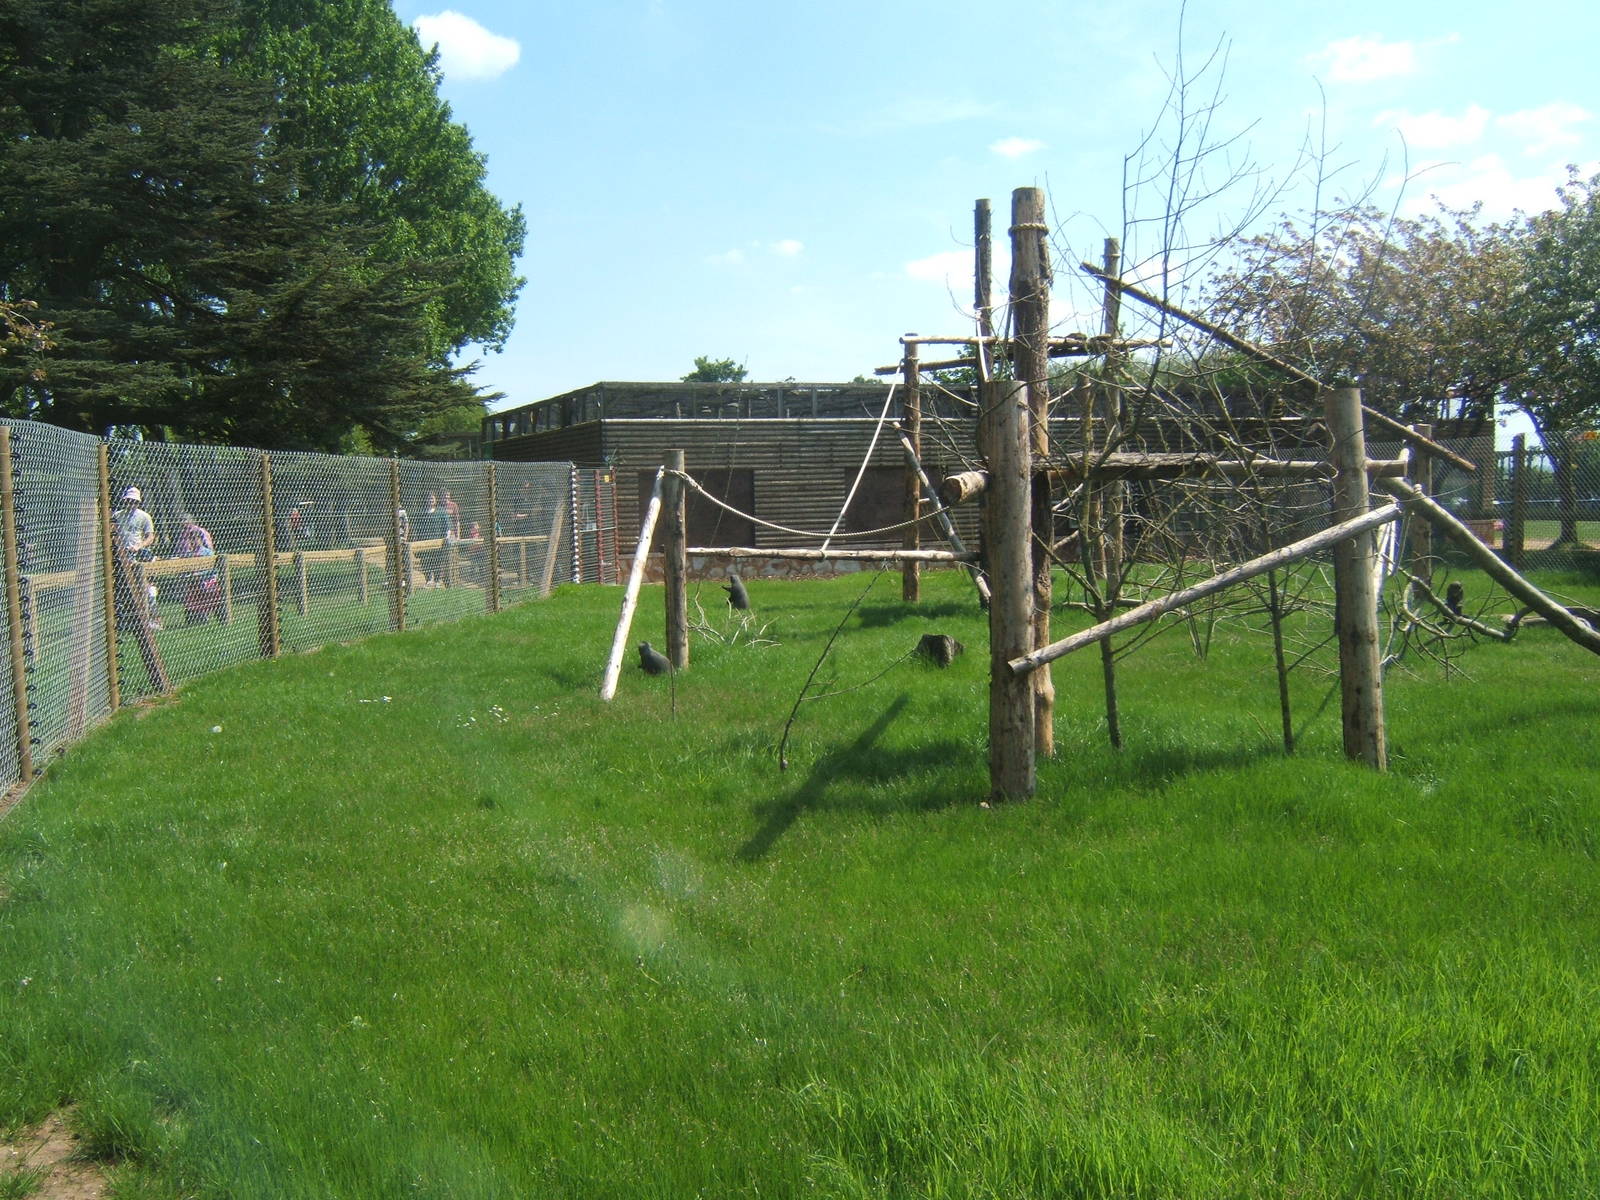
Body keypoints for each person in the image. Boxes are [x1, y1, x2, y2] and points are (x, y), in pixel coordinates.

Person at [112, 486, 158, 630]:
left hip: (139, 554)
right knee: (122, 588)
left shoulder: (144, 516)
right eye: (129, 501)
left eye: (134, 502)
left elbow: (150, 536)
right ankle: (126, 621)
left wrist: (139, 546)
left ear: (138, 503)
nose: (131, 504)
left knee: (146, 589)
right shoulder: (117, 516)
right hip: (121, 555)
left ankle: (152, 619)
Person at [171, 513, 221, 625]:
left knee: (205, 590)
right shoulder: (182, 534)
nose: (182, 525)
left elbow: (209, 552)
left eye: (184, 523)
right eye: (181, 523)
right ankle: (195, 615)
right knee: (191, 591)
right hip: (190, 567)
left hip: (205, 574)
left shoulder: (200, 532)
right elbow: (181, 551)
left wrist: (201, 564)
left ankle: (208, 613)